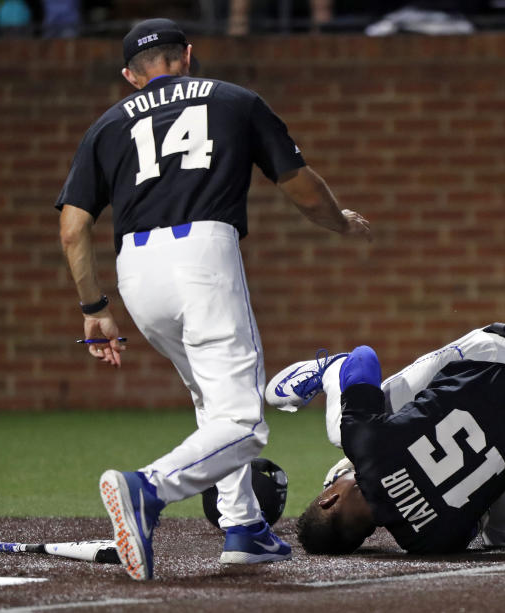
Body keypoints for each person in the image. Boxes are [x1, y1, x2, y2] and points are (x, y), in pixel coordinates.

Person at [55, 18, 371, 580]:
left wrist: (94, 309)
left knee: (211, 400)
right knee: (244, 423)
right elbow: (298, 183)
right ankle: (146, 489)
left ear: (132, 76)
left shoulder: (105, 125)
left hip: (136, 274)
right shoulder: (234, 100)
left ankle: (243, 527)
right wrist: (340, 224)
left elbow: (74, 229)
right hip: (202, 257)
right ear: (189, 56)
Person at [265, 323, 505, 554]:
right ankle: (334, 371)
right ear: (329, 497)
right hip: (492, 354)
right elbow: (365, 357)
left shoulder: (428, 543)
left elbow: (474, 515)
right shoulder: (366, 448)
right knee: (347, 430)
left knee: (503, 538)